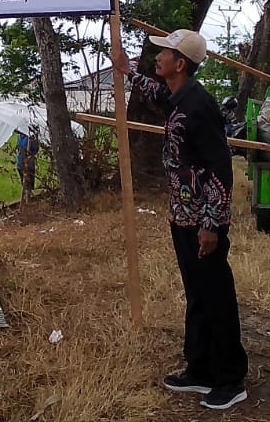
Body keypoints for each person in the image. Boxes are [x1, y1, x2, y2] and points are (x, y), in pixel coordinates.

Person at [111, 29, 248, 411]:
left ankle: (229, 377)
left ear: (180, 64)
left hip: (203, 220)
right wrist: (126, 72)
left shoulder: (199, 107)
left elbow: (220, 169)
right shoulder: (180, 97)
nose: (158, 59)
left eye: (164, 54)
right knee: (197, 292)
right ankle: (200, 366)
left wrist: (212, 224)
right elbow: (160, 96)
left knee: (215, 294)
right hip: (184, 215)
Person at [15, 129, 40, 202]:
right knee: (24, 184)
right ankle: (25, 200)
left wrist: (29, 157)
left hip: (29, 164)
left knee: (28, 184)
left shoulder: (30, 137)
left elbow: (35, 149)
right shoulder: (19, 137)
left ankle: (28, 200)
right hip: (20, 163)